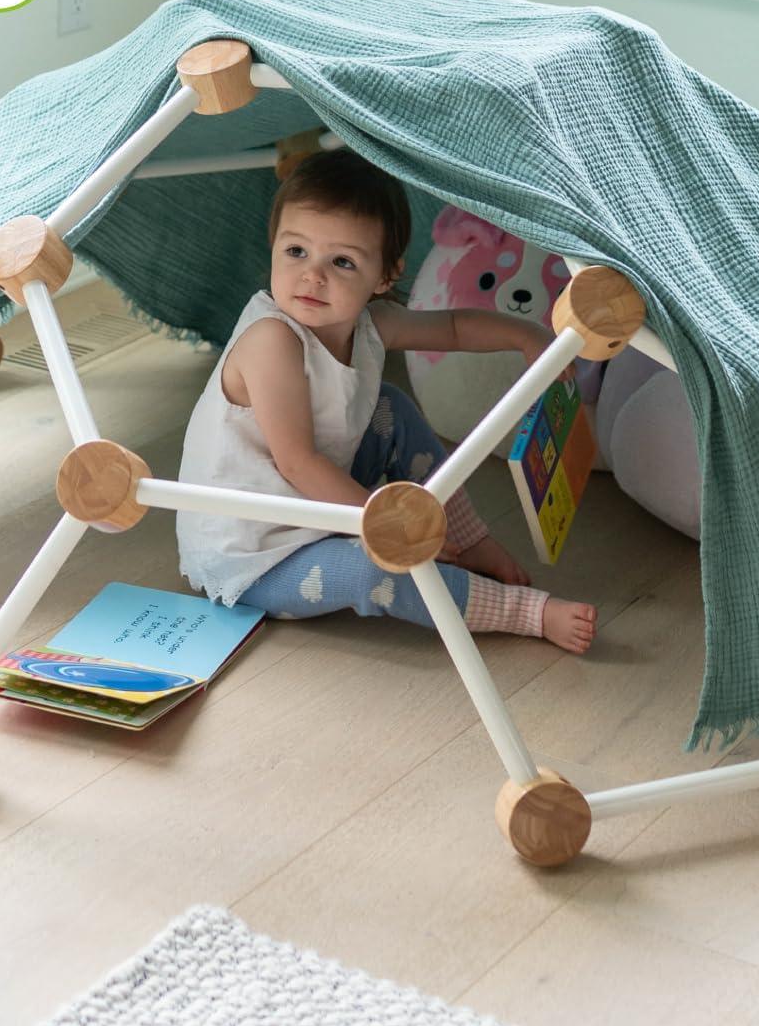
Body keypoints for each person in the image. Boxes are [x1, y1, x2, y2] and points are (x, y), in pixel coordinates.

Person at [175, 148, 598, 654]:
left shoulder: (373, 324)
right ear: (273, 246)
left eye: (343, 262)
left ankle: (467, 538)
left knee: (389, 407)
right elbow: (297, 462)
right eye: (295, 252)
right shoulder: (273, 341)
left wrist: (527, 335)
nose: (313, 276)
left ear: (384, 277)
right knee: (372, 568)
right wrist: (388, 525)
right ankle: (522, 612)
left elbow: (454, 326)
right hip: (255, 553)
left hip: (311, 503)